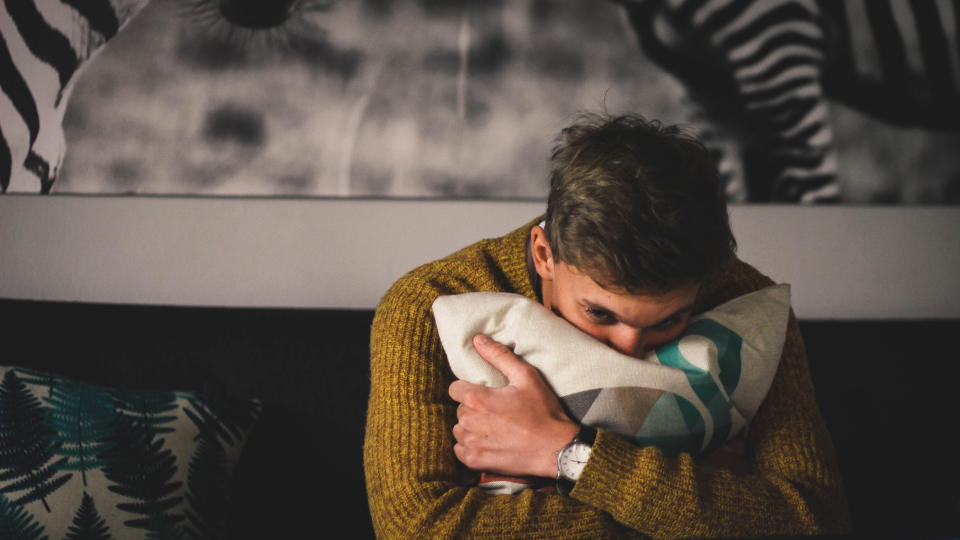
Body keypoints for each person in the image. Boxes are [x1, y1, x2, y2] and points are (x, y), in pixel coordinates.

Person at [363, 113, 850, 538]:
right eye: (600, 313)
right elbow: (415, 529)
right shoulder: (429, 302)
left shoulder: (746, 305)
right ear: (543, 253)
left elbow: (814, 521)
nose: (629, 349)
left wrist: (564, 452)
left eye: (670, 320)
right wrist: (699, 513)